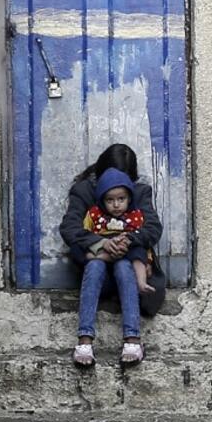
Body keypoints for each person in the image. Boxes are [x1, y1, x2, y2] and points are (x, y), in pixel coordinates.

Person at [59, 144, 165, 366]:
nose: (117, 203)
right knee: (95, 264)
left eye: (124, 189)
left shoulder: (139, 191)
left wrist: (126, 241)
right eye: (110, 197)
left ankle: (132, 339)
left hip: (128, 265)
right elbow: (70, 228)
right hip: (96, 267)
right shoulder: (84, 191)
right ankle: (85, 340)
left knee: (123, 267)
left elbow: (152, 227)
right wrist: (102, 244)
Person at [83, 167, 155, 295]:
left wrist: (148, 261)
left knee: (139, 253)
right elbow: (84, 234)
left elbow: (145, 241)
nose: (116, 205)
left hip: (128, 248)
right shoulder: (94, 214)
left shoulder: (136, 215)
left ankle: (142, 283)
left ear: (129, 199)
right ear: (102, 200)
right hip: (105, 249)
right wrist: (101, 243)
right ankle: (104, 257)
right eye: (110, 200)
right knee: (89, 255)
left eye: (121, 199)